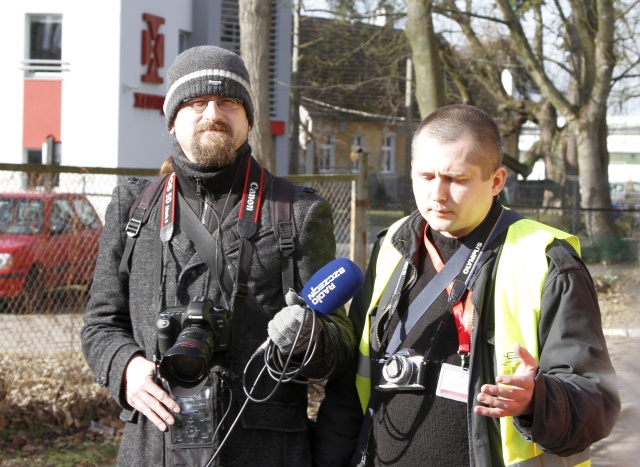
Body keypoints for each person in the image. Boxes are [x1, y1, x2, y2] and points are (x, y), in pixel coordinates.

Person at [81, 45, 355, 467]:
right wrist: (127, 369)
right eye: (195, 103)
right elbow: (101, 323)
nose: (212, 113)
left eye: (227, 101)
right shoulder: (133, 206)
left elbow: (339, 346)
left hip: (264, 449)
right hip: (155, 444)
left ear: (248, 119)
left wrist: (309, 338)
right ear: (173, 121)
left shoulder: (296, 211)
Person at [313, 104, 620, 466]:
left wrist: (537, 401)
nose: (438, 195)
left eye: (456, 179)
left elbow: (596, 401)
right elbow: (349, 389)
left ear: (496, 181)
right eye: (426, 176)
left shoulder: (547, 259)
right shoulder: (392, 244)